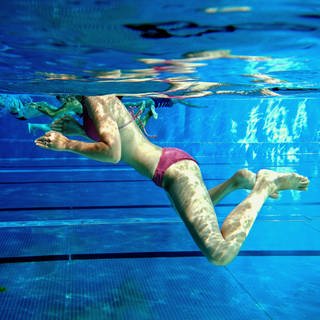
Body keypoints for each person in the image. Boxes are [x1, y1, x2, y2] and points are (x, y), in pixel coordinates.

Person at [35, 95, 309, 266]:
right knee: (200, 213)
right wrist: (81, 130)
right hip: (169, 170)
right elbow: (122, 138)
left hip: (174, 170)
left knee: (219, 254)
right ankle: (237, 181)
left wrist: (68, 143)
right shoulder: (93, 103)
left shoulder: (96, 96)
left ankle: (264, 184)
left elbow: (114, 153)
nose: (57, 92)